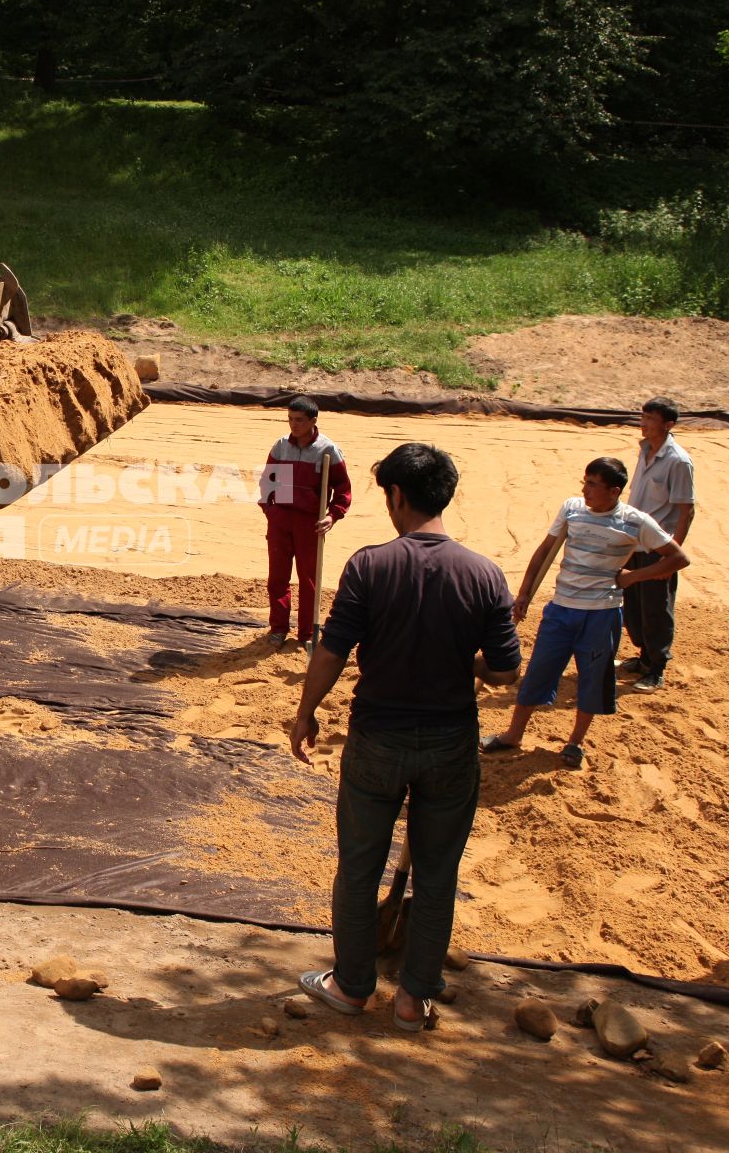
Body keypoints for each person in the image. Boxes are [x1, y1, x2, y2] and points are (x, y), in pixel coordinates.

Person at [290, 443, 521, 1031]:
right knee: (438, 874)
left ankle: (350, 985)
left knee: (360, 866)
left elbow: (334, 650)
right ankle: (413, 998)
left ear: (397, 496)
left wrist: (306, 712)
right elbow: (504, 673)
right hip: (450, 745)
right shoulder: (485, 574)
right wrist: (458, 659)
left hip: (378, 741)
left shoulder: (369, 566)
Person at [481, 457, 688, 768]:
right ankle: (513, 734)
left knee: (592, 679)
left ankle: (575, 742)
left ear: (614, 490)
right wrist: (524, 593)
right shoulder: (571, 508)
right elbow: (545, 550)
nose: (585, 489)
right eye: (585, 482)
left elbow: (678, 557)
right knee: (538, 672)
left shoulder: (636, 521)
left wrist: (632, 577)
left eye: (592, 484)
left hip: (602, 614)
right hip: (561, 610)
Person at [258, 396, 352, 645]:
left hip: (310, 522)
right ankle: (278, 629)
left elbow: (342, 489)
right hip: (281, 518)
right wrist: (270, 510)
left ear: (313, 420)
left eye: (299, 420)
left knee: (309, 580)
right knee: (277, 578)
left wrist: (332, 516)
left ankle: (307, 634)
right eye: (290, 419)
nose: (293, 425)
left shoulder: (327, 450)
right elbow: (268, 482)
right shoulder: (281, 446)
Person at [622, 396, 694, 691]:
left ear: (668, 424)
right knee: (634, 605)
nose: (644, 423)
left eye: (651, 419)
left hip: (656, 547)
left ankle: (657, 667)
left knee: (655, 607)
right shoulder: (644, 451)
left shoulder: (678, 461)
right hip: (632, 542)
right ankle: (644, 657)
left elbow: (685, 510)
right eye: (643, 416)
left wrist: (670, 556)